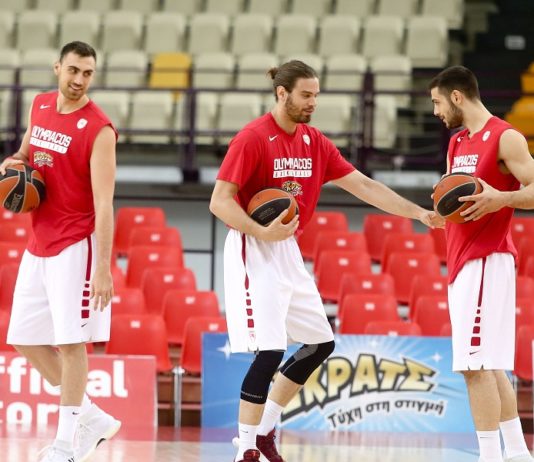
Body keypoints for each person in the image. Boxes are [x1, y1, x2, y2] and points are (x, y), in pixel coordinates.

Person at [209, 60, 442, 462]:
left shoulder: (314, 142)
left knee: (320, 343)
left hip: (287, 248)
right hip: (253, 247)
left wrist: (418, 213)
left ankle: (264, 431)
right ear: (282, 93)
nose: (313, 102)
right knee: (269, 351)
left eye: (316, 95)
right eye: (306, 95)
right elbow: (219, 201)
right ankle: (244, 449)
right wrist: (260, 230)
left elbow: (364, 185)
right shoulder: (252, 138)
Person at [1, 41, 120, 462]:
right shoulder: (40, 105)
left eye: (87, 73)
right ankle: (92, 417)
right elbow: (25, 152)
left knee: (71, 344)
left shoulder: (100, 130)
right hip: (39, 241)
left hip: (75, 244)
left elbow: (105, 204)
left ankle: (66, 445)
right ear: (57, 68)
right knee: (23, 338)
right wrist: (13, 164)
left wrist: (102, 267)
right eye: (73, 70)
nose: (79, 80)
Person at [429, 65, 534, 462]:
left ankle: (489, 457)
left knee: (474, 367)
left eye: (438, 102)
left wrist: (501, 199)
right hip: (463, 260)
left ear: (457, 97)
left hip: (487, 258)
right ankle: (518, 453)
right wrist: (441, 209)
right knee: (488, 365)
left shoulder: (505, 137)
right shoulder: (457, 142)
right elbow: (458, 197)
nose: (436, 111)